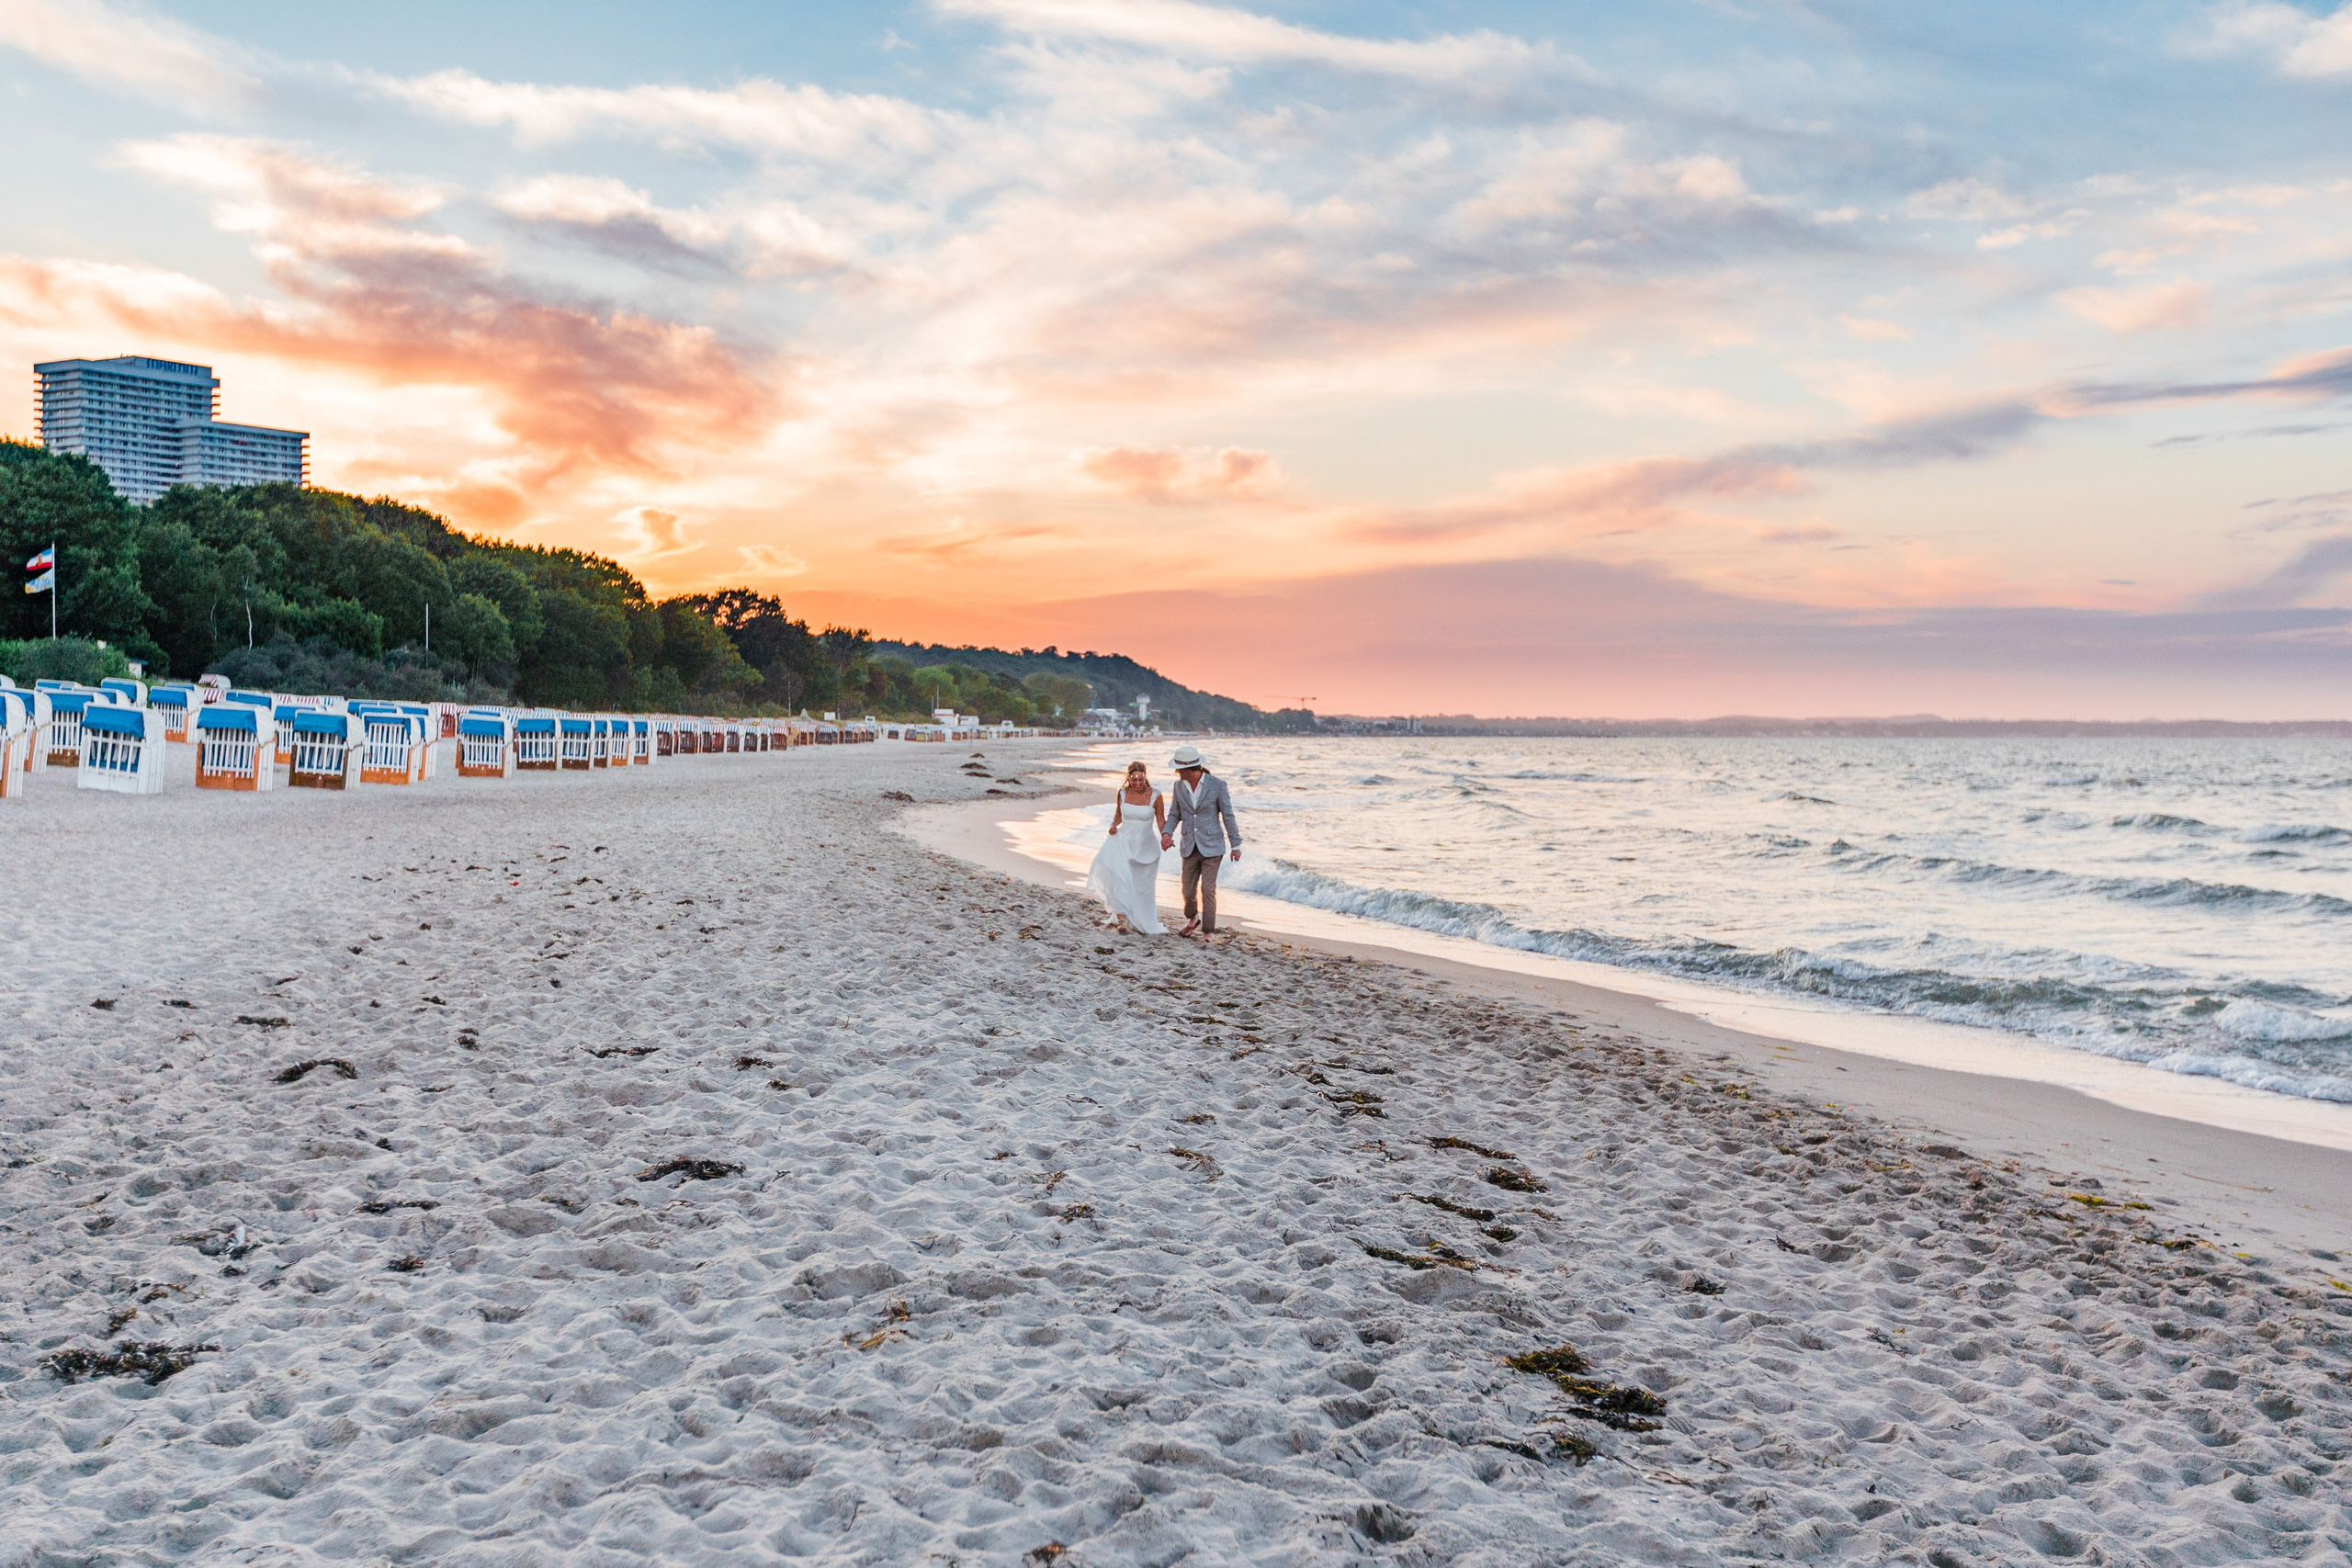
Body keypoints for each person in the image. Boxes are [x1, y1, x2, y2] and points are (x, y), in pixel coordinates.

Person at [1159, 744, 1240, 938]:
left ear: (1189, 769)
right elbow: (1174, 814)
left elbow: (1228, 815)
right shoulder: (1178, 786)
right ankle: (1193, 918)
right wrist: (1166, 834)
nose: (1177, 772)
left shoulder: (1217, 785)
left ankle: (1208, 933)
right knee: (1188, 890)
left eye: (1179, 768)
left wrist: (1235, 845)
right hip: (1189, 845)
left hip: (1213, 846)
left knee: (1208, 889)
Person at [1086, 761, 1166, 934]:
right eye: (1134, 779)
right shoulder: (1122, 793)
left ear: (1146, 777)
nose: (1137, 783)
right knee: (1121, 881)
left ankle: (1140, 919)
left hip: (1147, 848)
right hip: (1124, 844)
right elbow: (1119, 814)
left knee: (1141, 887)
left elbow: (1161, 820)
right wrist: (1113, 824)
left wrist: (1166, 836)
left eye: (1141, 779)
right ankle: (1122, 921)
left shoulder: (1156, 795)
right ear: (1128, 778)